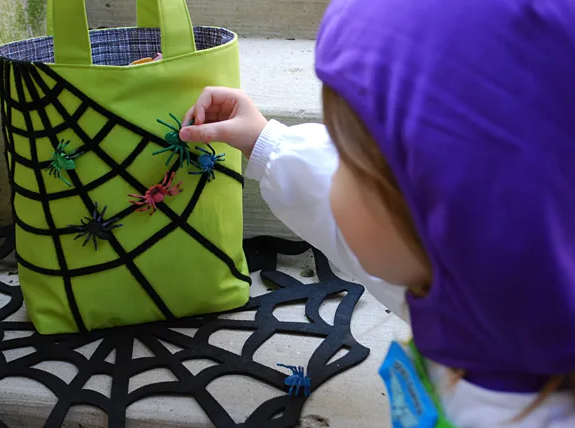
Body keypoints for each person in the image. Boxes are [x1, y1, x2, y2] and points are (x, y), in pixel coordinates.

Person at [179, 0, 575, 426]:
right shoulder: (470, 279)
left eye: (348, 160)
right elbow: (361, 228)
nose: (335, 176)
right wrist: (266, 145)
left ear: (446, 207)